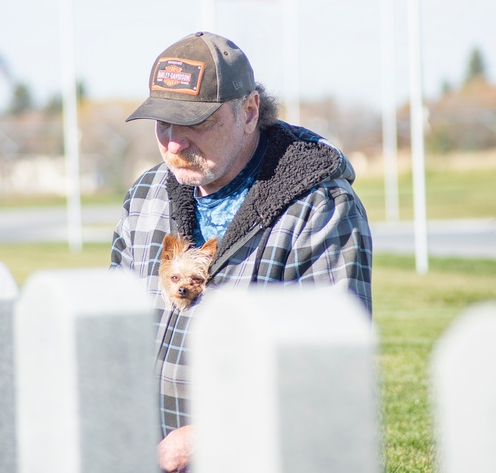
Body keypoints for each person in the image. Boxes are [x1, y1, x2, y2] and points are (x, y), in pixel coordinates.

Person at [110, 31, 373, 473]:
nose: (173, 144)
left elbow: (330, 369)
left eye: (194, 123)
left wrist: (211, 434)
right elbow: (116, 325)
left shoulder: (318, 209)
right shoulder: (146, 194)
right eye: (162, 124)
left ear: (249, 112)